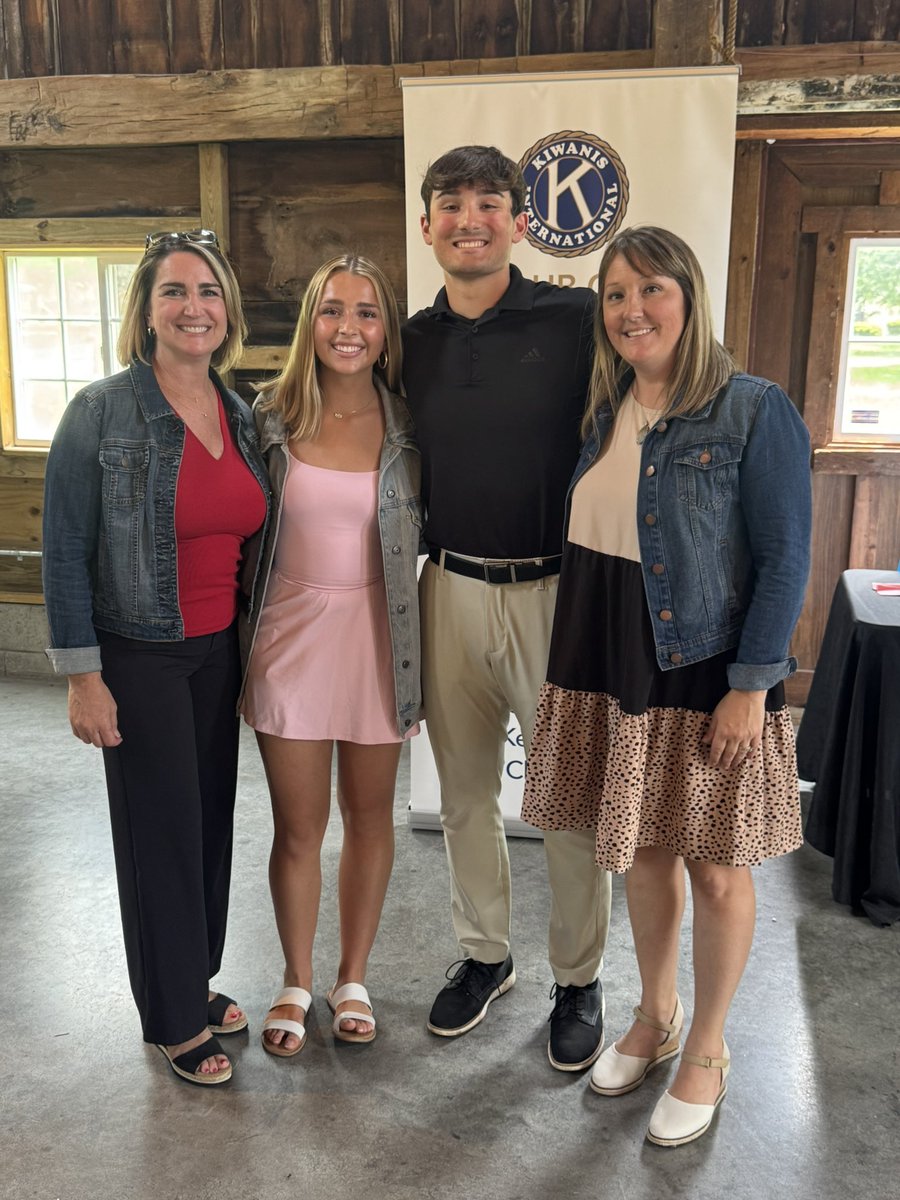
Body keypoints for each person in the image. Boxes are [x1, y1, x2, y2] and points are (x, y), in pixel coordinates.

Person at [522, 225, 812, 1145]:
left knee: (718, 868)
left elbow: (784, 558)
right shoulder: (606, 408)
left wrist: (752, 685)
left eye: (650, 290)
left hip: (703, 671)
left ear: (688, 297)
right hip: (610, 662)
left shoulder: (753, 409)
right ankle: (654, 1014)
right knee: (643, 851)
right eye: (614, 294)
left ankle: (710, 1049)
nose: (631, 310)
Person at [42, 229, 270, 1085]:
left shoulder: (239, 412)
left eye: (208, 292)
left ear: (228, 312)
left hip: (218, 652)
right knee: (159, 835)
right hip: (138, 654)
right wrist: (82, 676)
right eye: (173, 292)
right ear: (145, 312)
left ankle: (194, 979)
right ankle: (171, 1017)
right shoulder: (101, 411)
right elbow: (63, 547)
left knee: (209, 825)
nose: (193, 308)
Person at [402, 145, 612, 1070]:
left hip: (555, 593)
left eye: (490, 201)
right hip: (445, 586)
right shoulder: (411, 339)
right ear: (428, 227)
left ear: (521, 222)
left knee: (568, 802)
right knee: (464, 796)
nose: (470, 218)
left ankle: (580, 976)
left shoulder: (575, 320)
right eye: (451, 204)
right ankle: (487, 957)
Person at [240, 254, 421, 1057]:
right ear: (310, 324)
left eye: (367, 312)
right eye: (332, 311)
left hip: (384, 637)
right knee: (297, 827)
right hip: (288, 636)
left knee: (370, 816)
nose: (349, 328)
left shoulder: (414, 425)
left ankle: (352, 975)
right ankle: (295, 977)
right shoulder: (266, 417)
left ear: (386, 333)